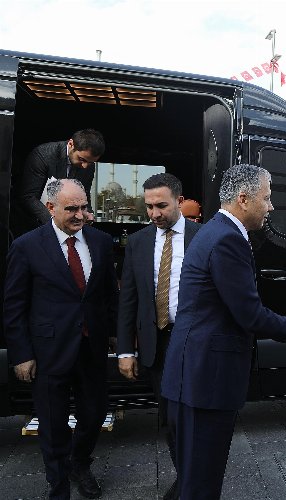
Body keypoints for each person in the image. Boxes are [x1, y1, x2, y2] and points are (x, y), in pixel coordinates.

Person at [160, 164, 286, 499]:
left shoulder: (215, 231)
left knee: (192, 477)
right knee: (201, 482)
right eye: (267, 198)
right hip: (207, 381)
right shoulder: (228, 239)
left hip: (193, 375)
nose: (272, 206)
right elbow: (249, 314)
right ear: (244, 198)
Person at [3, 179, 118, 499]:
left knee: (94, 413)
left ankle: (79, 463)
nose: (81, 214)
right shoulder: (26, 246)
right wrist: (21, 353)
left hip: (90, 347)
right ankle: (59, 482)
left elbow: (109, 295)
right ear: (50, 208)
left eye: (84, 207)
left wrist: (113, 336)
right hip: (47, 350)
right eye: (72, 208)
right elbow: (14, 305)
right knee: (52, 423)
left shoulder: (101, 242)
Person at [116, 173, 201, 500]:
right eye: (149, 206)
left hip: (194, 342)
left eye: (161, 205)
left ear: (179, 202)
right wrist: (125, 350)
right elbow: (129, 300)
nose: (153, 213)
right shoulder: (137, 242)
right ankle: (186, 477)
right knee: (169, 419)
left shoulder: (203, 237)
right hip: (157, 345)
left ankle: (190, 481)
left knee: (193, 416)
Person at [19, 129, 105, 227]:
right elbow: (29, 197)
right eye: (81, 159)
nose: (85, 166)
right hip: (35, 223)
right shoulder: (43, 155)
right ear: (71, 144)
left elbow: (85, 193)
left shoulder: (89, 166)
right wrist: (55, 223)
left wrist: (88, 212)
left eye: (90, 162)